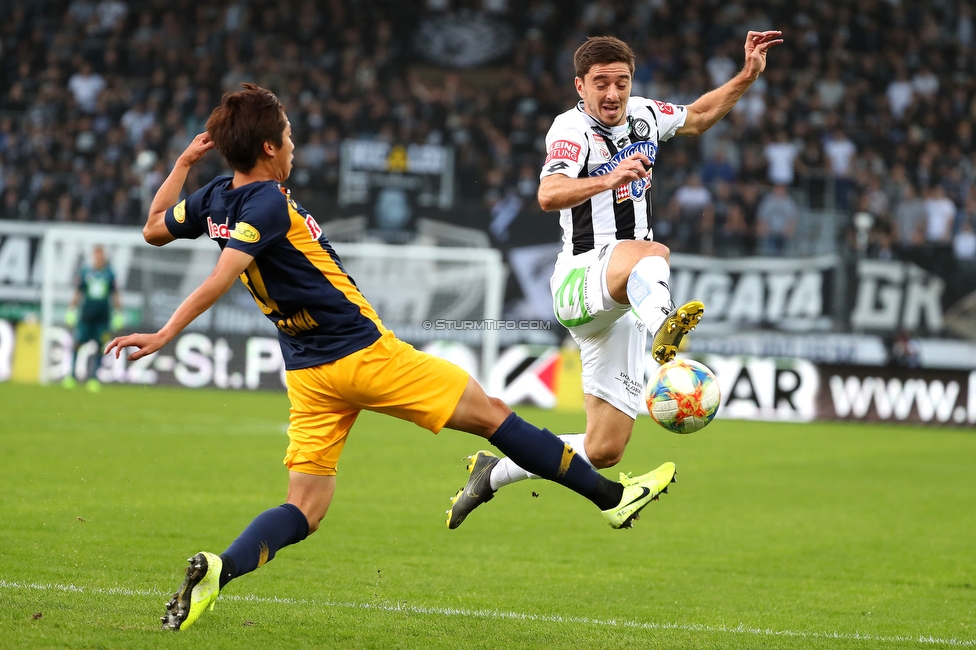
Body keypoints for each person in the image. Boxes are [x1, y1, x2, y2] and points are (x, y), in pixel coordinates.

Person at [104, 84, 677, 632]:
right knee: (495, 415)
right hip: (363, 354)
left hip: (307, 373)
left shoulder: (215, 198)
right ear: (269, 148)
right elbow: (220, 277)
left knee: (304, 508)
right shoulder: (266, 202)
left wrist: (182, 163)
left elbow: (155, 227)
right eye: (289, 135)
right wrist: (164, 333)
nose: (295, 146)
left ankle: (221, 568)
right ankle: (613, 498)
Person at [448, 32, 781, 529]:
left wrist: (747, 76)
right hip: (580, 279)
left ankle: (492, 475)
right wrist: (609, 178)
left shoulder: (645, 115)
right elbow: (548, 192)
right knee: (652, 251)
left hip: (623, 302)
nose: (612, 94)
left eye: (620, 82)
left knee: (605, 449)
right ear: (580, 86)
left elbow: (701, 116)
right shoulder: (569, 129)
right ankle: (666, 326)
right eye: (600, 83)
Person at [62, 245, 123, 392]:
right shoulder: (85, 272)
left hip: (103, 317)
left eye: (101, 255)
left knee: (100, 347)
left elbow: (114, 294)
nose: (99, 258)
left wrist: (119, 313)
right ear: (93, 256)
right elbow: (78, 292)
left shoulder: (110, 274)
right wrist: (71, 309)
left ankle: (94, 378)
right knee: (77, 343)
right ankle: (71, 375)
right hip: (85, 316)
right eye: (97, 255)